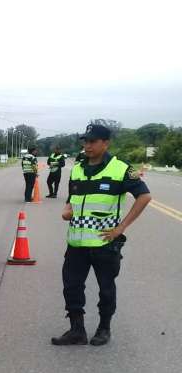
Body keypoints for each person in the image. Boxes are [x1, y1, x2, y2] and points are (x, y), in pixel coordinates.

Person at [52, 124, 152, 346]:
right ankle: (77, 329)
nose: (87, 145)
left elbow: (144, 197)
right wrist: (67, 209)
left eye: (92, 141)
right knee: (71, 286)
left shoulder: (121, 169)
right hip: (76, 242)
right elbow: (73, 196)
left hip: (105, 243)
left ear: (106, 143)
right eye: (85, 141)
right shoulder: (78, 167)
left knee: (106, 288)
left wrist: (121, 228)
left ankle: (104, 328)